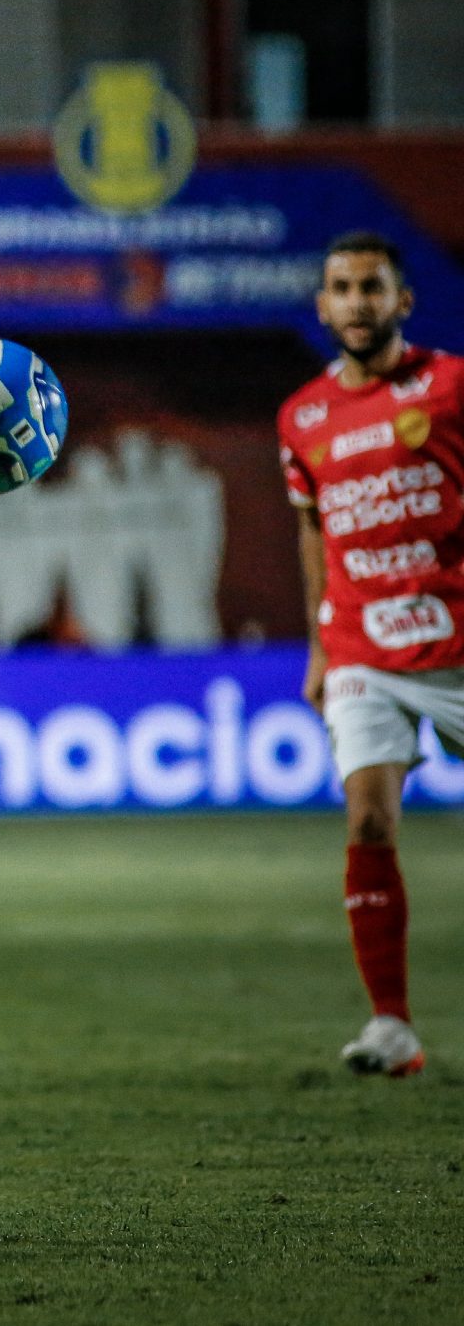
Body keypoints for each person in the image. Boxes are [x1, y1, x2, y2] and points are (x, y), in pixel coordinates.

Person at [278, 229, 463, 1079]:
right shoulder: (301, 417)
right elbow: (314, 526)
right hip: (362, 643)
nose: (357, 301)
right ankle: (390, 1024)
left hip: (456, 635)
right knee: (369, 818)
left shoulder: (453, 385)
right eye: (342, 287)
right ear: (323, 305)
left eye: (372, 286)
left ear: (403, 300)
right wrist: (321, 640)